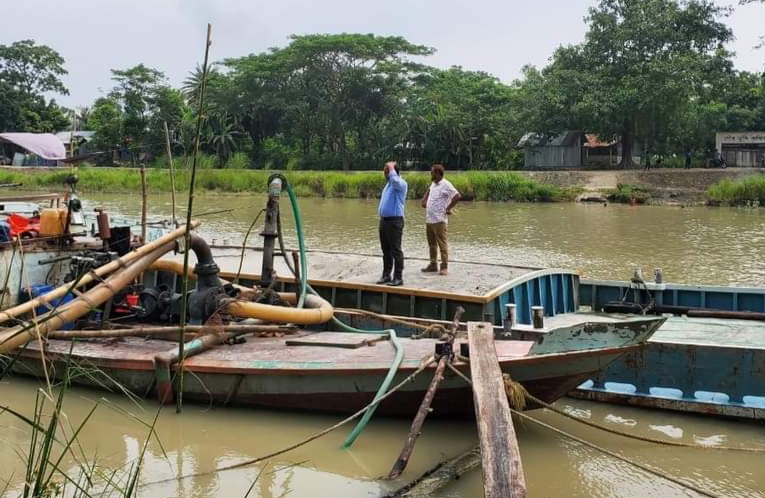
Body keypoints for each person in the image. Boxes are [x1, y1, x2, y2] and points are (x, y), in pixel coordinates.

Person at [420, 163, 461, 276]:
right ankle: (433, 264)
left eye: (432, 172)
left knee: (442, 244)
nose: (431, 174)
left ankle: (444, 267)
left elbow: (457, 196)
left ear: (438, 173)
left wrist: (448, 208)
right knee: (431, 244)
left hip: (440, 220)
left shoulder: (446, 184)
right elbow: (428, 191)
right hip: (430, 219)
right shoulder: (433, 184)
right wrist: (424, 200)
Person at [376, 160, 408, 286]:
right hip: (384, 221)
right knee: (386, 250)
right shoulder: (388, 185)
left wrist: (391, 167)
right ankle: (386, 275)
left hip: (395, 221)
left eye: (386, 170)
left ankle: (398, 277)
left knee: (396, 250)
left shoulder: (400, 184)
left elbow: (395, 180)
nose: (385, 173)